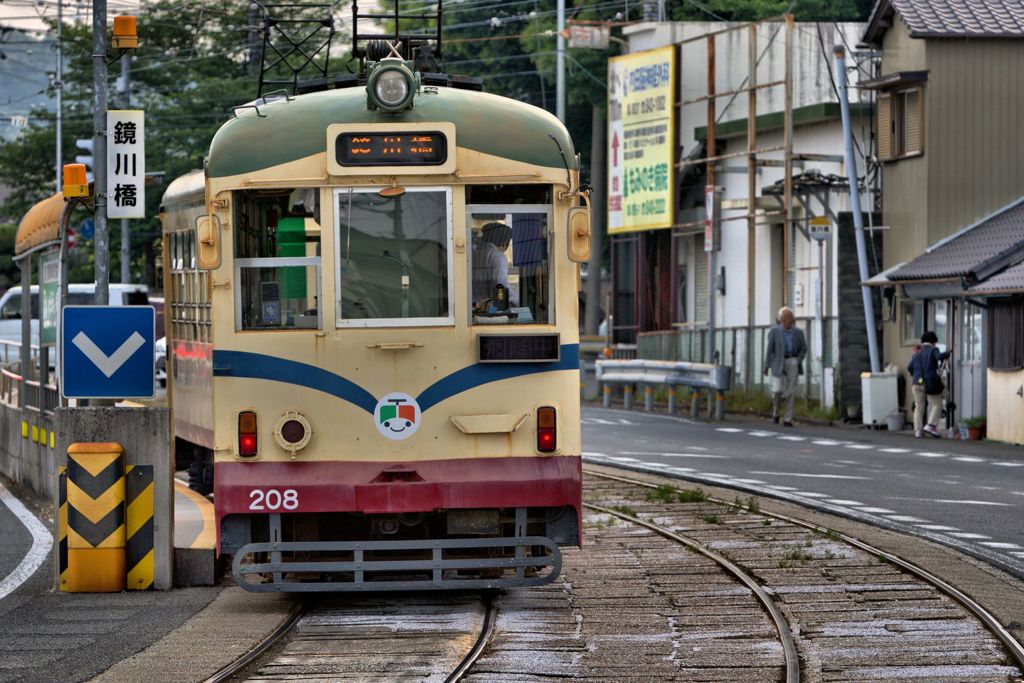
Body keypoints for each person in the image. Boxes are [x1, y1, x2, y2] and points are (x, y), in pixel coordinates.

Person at [763, 306, 807, 426]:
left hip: (792, 360)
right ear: (781, 319)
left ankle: (788, 418)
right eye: (786, 317)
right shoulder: (774, 331)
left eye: (790, 317)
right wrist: (766, 365)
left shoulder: (798, 332)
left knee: (791, 391)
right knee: (777, 390)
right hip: (778, 361)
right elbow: (769, 349)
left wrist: (798, 360)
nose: (789, 319)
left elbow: (804, 347)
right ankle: (776, 412)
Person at [908, 330, 950, 438]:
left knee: (919, 406)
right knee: (937, 403)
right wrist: (947, 353)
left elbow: (909, 368)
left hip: (916, 383)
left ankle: (918, 431)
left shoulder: (916, 354)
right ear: (933, 342)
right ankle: (931, 425)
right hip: (929, 382)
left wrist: (916, 375)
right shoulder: (933, 350)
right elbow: (939, 357)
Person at [472, 222, 515, 308]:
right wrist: (516, 300)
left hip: (471, 308)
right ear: (504, 244)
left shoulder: (473, 254)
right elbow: (501, 285)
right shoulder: (497, 256)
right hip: (489, 309)